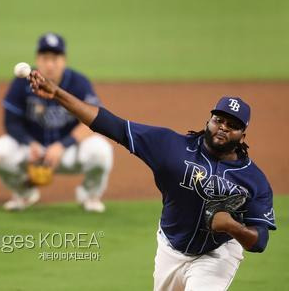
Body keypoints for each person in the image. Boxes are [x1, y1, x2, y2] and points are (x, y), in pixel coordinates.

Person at [28, 70, 276, 290]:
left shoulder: (253, 180)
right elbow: (110, 125)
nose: (222, 127)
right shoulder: (170, 146)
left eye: (232, 125)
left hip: (217, 254)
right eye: (218, 120)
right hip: (170, 247)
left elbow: (260, 241)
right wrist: (58, 94)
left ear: (243, 135)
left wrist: (233, 227)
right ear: (208, 121)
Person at [0, 33, 114, 212]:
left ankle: (90, 196)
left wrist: (62, 145)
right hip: (32, 153)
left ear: (64, 60)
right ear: (37, 60)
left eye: (55, 58)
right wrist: (29, 144)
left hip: (68, 152)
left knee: (101, 152)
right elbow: (11, 123)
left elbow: (94, 122)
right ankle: (23, 193)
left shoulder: (78, 83)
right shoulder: (22, 83)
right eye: (45, 58)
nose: (50, 64)